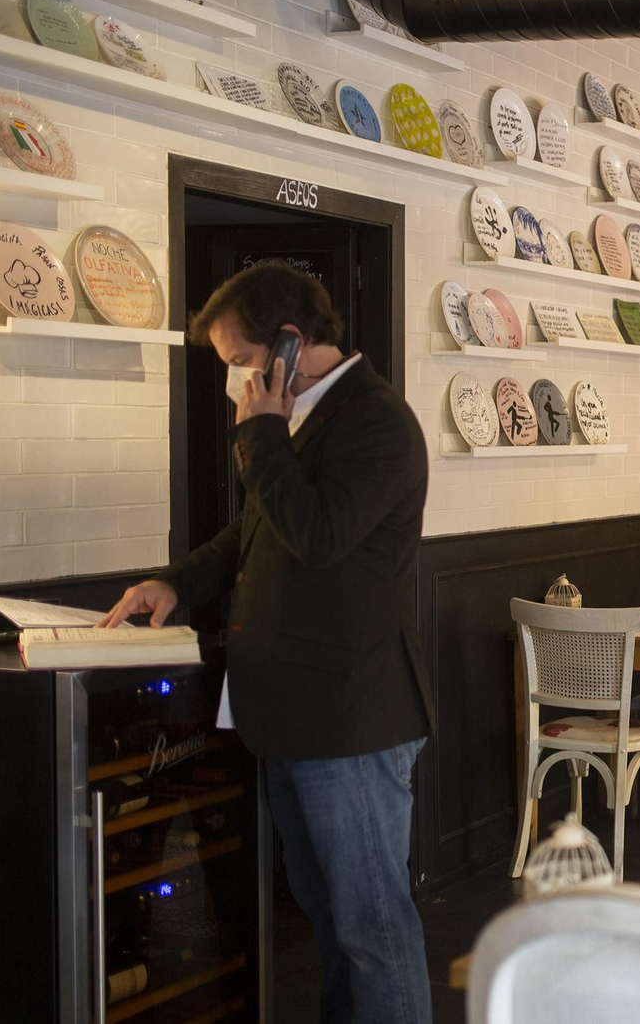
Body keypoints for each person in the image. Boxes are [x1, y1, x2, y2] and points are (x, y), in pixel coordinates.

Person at [100, 262, 435, 1024]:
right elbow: (250, 534)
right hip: (289, 712)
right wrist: (176, 583)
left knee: (372, 927)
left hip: (351, 716)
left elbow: (318, 535)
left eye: (238, 362)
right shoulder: (295, 425)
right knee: (329, 918)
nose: (235, 382)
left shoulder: (376, 421)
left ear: (287, 345)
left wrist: (261, 434)